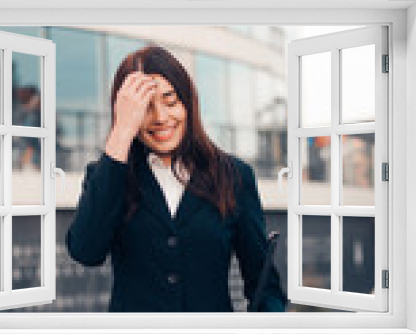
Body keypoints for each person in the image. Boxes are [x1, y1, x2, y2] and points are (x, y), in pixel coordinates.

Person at [65, 44, 288, 312]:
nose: (160, 117)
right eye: (145, 107)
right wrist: (121, 133)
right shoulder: (109, 175)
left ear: (188, 102)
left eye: (171, 101)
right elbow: (86, 252)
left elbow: (264, 286)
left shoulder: (235, 175)